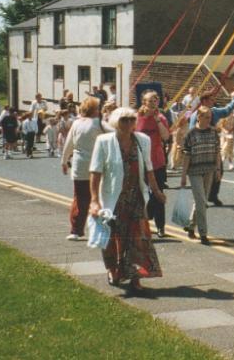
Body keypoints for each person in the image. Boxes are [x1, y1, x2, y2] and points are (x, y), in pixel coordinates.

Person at [89, 107, 164, 290]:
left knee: (137, 238)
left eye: (131, 120)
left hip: (136, 197)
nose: (129, 124)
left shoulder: (142, 140)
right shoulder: (104, 141)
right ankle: (113, 269)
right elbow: (95, 172)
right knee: (113, 237)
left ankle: (135, 277)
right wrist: (94, 200)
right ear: (115, 122)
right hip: (114, 199)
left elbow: (149, 170)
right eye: (124, 120)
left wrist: (156, 191)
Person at [62, 97, 106, 241]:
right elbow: (116, 133)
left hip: (79, 165)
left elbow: (69, 144)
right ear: (95, 110)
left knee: (80, 198)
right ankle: (102, 229)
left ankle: (76, 230)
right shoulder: (98, 123)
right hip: (97, 166)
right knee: (100, 197)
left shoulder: (76, 123)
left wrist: (64, 161)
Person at [180, 105, 221, 244]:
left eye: (210, 117)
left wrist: (218, 169)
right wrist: (183, 175)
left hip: (209, 169)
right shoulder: (191, 134)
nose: (209, 119)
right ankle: (203, 233)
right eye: (206, 117)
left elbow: (217, 152)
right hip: (194, 170)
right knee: (202, 201)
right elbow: (186, 156)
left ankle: (191, 226)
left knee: (200, 201)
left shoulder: (214, 132)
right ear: (199, 117)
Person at [135, 92, 171, 237]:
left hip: (157, 161)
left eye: (155, 100)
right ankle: (142, 224)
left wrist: (157, 120)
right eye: (150, 100)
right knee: (141, 195)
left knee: (158, 194)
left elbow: (166, 137)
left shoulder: (161, 118)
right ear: (144, 102)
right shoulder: (137, 118)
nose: (153, 103)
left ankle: (160, 226)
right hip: (140, 161)